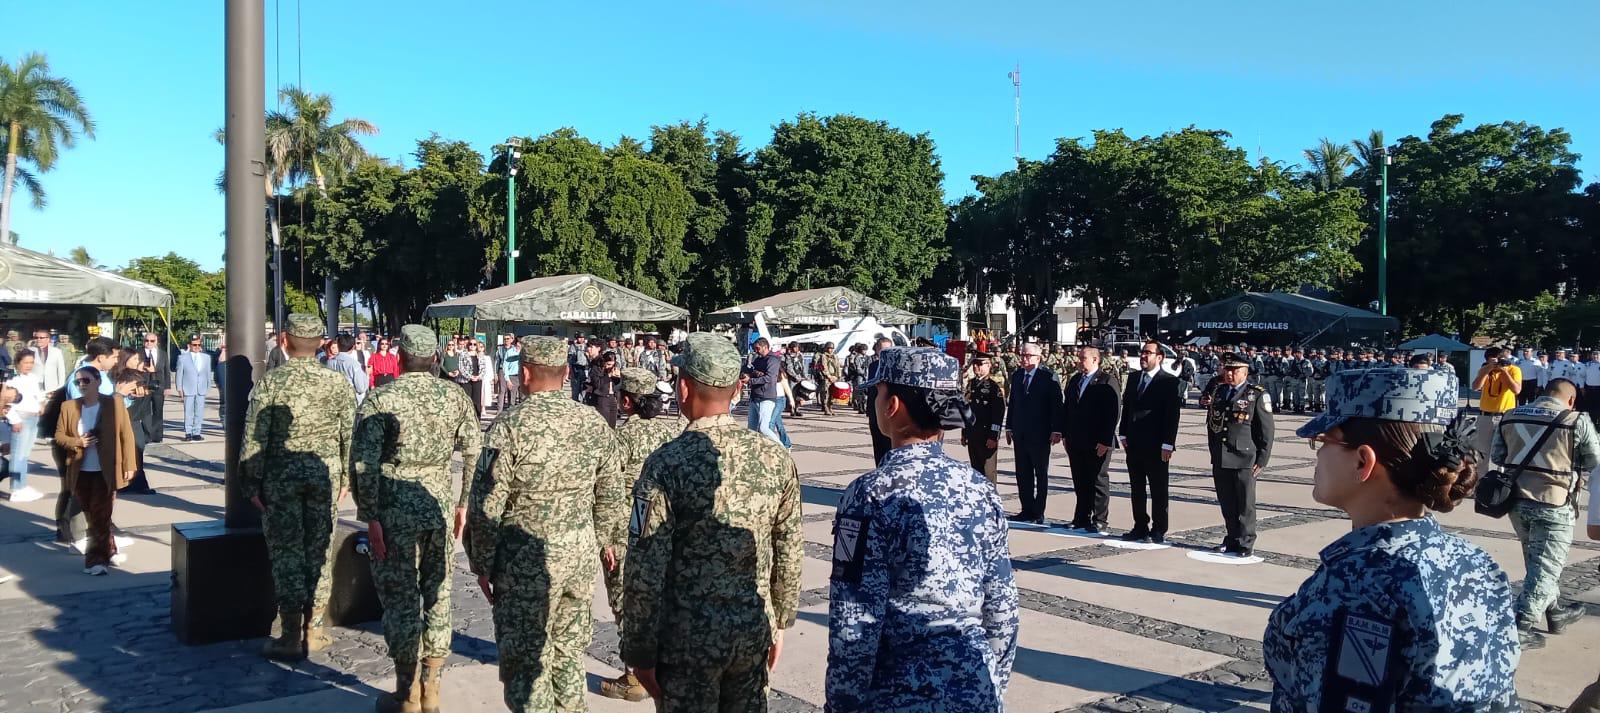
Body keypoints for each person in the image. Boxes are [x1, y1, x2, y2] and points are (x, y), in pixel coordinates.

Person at [1271, 367, 1521, 709]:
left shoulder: (1358, 585)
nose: (1316, 453)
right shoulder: (1474, 559)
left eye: (1324, 441)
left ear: (1363, 461)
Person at [826, 347, 1018, 710]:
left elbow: (854, 619)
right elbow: (1002, 607)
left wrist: (842, 703)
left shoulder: (869, 494)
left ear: (892, 405)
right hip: (974, 686)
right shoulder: (979, 488)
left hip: (898, 693)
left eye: (878, 392)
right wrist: (991, 682)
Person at [621, 333, 802, 711]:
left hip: (687, 641)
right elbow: (789, 549)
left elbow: (644, 566)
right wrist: (780, 621)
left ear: (683, 388)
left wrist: (638, 649)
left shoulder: (666, 463)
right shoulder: (776, 458)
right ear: (737, 389)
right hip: (751, 629)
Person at [466, 335, 625, 712]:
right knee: (568, 654)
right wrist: (604, 541)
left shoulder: (509, 426)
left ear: (524, 373)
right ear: (567, 372)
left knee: (527, 664)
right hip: (579, 557)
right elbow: (611, 493)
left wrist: (482, 562)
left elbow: (485, 506)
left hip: (525, 561)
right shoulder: (593, 423)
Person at [354, 325, 483, 713]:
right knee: (438, 591)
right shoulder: (454, 396)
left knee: (400, 596)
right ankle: (433, 686)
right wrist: (464, 503)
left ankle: (406, 690)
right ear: (435, 358)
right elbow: (475, 453)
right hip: (438, 504)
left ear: (401, 356)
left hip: (394, 507)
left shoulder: (380, 398)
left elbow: (364, 464)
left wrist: (370, 515)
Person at [240, 314, 357, 662]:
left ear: (285, 340)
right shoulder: (337, 384)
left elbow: (253, 439)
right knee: (319, 551)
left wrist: (250, 483)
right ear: (321, 342)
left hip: (281, 480)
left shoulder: (270, 384)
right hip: (324, 477)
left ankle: (291, 633)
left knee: (287, 553)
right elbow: (350, 435)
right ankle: (315, 628)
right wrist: (346, 478)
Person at [1490, 378, 1599, 646]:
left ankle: (1556, 612)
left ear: (1541, 393)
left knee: (1538, 561)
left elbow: (1497, 455)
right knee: (1545, 568)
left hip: (1516, 501)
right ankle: (1521, 627)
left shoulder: (1511, 415)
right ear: (1571, 399)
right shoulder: (1576, 420)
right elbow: (1594, 460)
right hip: (1555, 502)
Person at [598, 368, 685, 701]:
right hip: (664, 530)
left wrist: (605, 536)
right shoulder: (670, 434)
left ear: (625, 401)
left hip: (626, 529)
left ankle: (634, 675)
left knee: (625, 602)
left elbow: (606, 488)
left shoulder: (621, 438)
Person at [54, 367, 137, 575]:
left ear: (98, 381)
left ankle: (95, 561)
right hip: (80, 469)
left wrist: (129, 465)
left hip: (105, 469)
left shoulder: (113, 403)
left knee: (100, 514)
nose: (82, 385)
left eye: (86, 381)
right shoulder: (68, 407)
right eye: (78, 382)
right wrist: (77, 441)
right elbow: (59, 436)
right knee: (93, 514)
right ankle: (110, 550)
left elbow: (126, 435)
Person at [1199, 352, 1273, 557]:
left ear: (1245, 372)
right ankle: (1231, 537)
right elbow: (1214, 424)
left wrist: (1262, 458)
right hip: (1222, 455)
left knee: (1245, 503)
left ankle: (1245, 541)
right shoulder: (1220, 391)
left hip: (1244, 457)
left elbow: (1266, 430)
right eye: (1227, 369)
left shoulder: (1256, 395)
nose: (1229, 373)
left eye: (1234, 370)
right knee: (1227, 501)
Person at [1118, 341, 1181, 543]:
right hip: (1134, 443)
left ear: (1159, 357)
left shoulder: (1168, 381)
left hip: (1156, 445)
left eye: (1148, 353)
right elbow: (1127, 407)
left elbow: (1172, 415)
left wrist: (1168, 443)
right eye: (1142, 352)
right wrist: (1123, 433)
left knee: (1158, 489)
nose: (1143, 356)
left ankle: (1159, 528)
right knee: (1137, 487)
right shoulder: (1135, 377)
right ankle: (1140, 525)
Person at [1060, 346, 1120, 534]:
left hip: (1098, 442)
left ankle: (1100, 519)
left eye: (1083, 358)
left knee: (1098, 480)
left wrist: (1105, 440)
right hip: (1076, 439)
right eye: (1079, 357)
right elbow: (1067, 408)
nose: (1079, 361)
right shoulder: (1076, 380)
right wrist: (1065, 433)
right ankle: (1081, 517)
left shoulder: (1107, 381)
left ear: (1095, 360)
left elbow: (1112, 413)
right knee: (1080, 480)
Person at [1004, 342, 1062, 524]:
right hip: (1020, 432)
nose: (1023, 359)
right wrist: (1009, 426)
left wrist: (1056, 429)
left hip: (1040, 433)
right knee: (1022, 473)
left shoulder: (1048, 376)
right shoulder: (1017, 375)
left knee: (1040, 473)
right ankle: (1026, 509)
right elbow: (1012, 402)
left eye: (1028, 356)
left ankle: (1038, 511)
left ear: (1038, 358)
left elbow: (1056, 404)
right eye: (1022, 355)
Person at [1471, 347, 1523, 480]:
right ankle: (1481, 482)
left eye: (1496, 360)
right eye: (1490, 361)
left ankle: (1502, 482)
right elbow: (1476, 386)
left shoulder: (1514, 370)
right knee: (1482, 453)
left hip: (1504, 416)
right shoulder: (1485, 369)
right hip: (1485, 416)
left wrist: (1504, 371)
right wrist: (1487, 370)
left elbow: (1516, 390)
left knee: (1505, 453)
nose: (1494, 364)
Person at [115, 351, 158, 496]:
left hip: (137, 418)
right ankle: (127, 483)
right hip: (127, 417)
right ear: (125, 360)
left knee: (138, 449)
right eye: (133, 359)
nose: (137, 361)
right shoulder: (121, 376)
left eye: (137, 358)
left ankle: (138, 483)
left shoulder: (140, 374)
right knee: (130, 450)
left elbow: (154, 388)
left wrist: (151, 374)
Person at [5, 351, 46, 502]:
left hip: (32, 418)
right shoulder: (12, 380)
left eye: (31, 362)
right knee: (18, 455)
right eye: (25, 362)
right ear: (18, 363)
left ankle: (23, 485)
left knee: (25, 454)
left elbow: (38, 394)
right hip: (20, 418)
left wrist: (41, 403)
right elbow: (6, 404)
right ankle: (16, 489)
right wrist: (14, 420)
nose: (28, 365)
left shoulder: (33, 378)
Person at [960, 351, 1006, 484]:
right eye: (974, 364)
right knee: (976, 472)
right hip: (973, 435)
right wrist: (964, 432)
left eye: (980, 364)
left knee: (988, 474)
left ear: (989, 365)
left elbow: (998, 413)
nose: (976, 367)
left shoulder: (993, 387)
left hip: (986, 437)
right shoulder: (971, 384)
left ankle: (991, 503)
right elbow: (967, 410)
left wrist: (994, 435)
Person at [742, 338, 784, 444]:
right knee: (751, 430)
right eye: (754, 348)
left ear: (765, 347)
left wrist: (750, 380)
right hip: (754, 397)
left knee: (764, 428)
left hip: (766, 397)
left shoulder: (773, 360)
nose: (755, 350)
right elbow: (751, 371)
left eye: (757, 348)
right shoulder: (758, 359)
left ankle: (781, 448)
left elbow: (769, 378)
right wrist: (746, 370)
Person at [174, 334, 212, 442]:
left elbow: (208, 373)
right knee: (188, 411)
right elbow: (179, 374)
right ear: (189, 345)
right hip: (188, 388)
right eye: (194, 345)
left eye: (199, 345)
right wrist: (179, 388)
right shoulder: (182, 358)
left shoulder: (206, 358)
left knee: (199, 411)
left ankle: (197, 432)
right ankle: (188, 432)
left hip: (201, 389)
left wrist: (208, 386)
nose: (197, 347)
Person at [138, 333, 168, 444]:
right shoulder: (139, 353)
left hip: (159, 386)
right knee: (145, 412)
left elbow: (166, 371)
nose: (149, 343)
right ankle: (147, 434)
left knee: (158, 411)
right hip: (144, 386)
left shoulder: (162, 354)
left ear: (156, 342)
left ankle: (157, 435)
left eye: (152, 341)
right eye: (147, 341)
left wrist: (167, 387)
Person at [28, 329, 69, 394]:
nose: (38, 339)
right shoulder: (29, 351)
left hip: (52, 388)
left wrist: (60, 388)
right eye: (36, 338)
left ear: (48, 339)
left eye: (41, 338)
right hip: (35, 387)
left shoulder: (56, 352)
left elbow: (61, 371)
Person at [588, 351, 622, 428]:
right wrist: (608, 375)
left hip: (612, 396)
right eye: (608, 364)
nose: (609, 367)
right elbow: (597, 384)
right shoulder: (596, 369)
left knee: (612, 423)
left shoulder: (613, 368)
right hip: (602, 397)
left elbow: (617, 385)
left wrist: (618, 377)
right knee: (605, 423)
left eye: (612, 365)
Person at [813, 342, 842, 416]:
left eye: (831, 348)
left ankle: (830, 407)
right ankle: (825, 407)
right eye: (829, 348)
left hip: (834, 377)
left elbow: (838, 366)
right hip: (826, 377)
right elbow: (824, 367)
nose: (830, 350)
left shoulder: (835, 356)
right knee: (826, 393)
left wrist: (838, 376)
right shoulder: (823, 356)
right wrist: (829, 376)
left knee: (832, 394)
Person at [782, 343, 809, 418]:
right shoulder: (787, 356)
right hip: (791, 378)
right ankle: (792, 409)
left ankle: (797, 408)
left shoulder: (800, 355)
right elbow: (789, 368)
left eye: (797, 347)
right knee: (791, 394)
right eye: (794, 347)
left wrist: (805, 376)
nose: (795, 349)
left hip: (799, 376)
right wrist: (795, 376)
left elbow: (803, 367)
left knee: (799, 394)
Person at [495, 333, 521, 410]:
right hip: (503, 371)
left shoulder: (516, 349)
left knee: (513, 392)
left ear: (512, 340)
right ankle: (499, 410)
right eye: (505, 339)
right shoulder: (500, 349)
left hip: (515, 374)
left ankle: (510, 408)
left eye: (508, 339)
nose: (506, 340)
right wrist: (495, 373)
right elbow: (497, 362)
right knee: (502, 391)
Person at [567, 333, 590, 401]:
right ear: (576, 338)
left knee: (584, 386)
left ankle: (584, 400)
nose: (581, 339)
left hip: (585, 368)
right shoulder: (573, 346)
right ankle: (575, 400)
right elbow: (570, 359)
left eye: (582, 338)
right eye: (580, 338)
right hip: (576, 368)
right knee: (575, 387)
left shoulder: (586, 346)